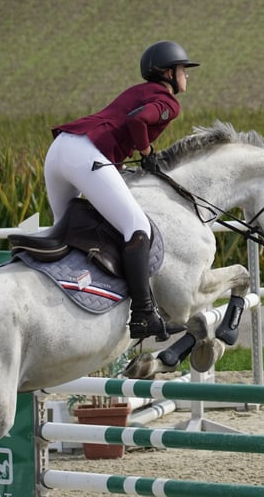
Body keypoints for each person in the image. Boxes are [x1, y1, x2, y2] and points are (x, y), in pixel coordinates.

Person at [44, 40, 199, 340]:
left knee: (61, 230)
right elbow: (137, 120)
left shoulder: (137, 91)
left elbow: (118, 125)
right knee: (137, 226)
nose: (187, 76)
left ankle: (61, 303)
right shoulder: (169, 103)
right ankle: (143, 315)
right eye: (183, 70)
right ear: (168, 73)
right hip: (84, 154)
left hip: (61, 148)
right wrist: (147, 150)